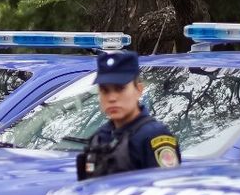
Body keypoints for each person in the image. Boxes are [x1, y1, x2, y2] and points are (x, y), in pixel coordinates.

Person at [77, 49, 181, 179]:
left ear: (139, 90)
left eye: (120, 89)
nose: (112, 98)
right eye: (105, 90)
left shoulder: (154, 137)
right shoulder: (100, 136)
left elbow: (166, 190)